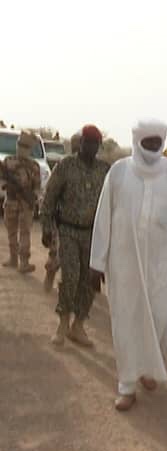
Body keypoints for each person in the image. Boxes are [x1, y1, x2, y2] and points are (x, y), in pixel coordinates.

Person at [89, 119, 167, 412]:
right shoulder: (119, 172)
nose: (151, 148)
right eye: (146, 143)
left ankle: (147, 368)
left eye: (156, 143)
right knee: (125, 321)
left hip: (160, 263)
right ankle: (126, 385)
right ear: (136, 142)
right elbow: (104, 217)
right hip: (124, 263)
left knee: (158, 316)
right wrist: (97, 262)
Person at [41, 125, 109, 347]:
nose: (90, 147)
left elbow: (112, 205)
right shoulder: (66, 166)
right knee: (70, 276)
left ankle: (78, 325)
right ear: (80, 143)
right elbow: (49, 196)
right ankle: (62, 323)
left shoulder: (104, 170)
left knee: (89, 281)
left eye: (95, 143)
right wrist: (46, 227)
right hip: (68, 230)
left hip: (93, 233)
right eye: (87, 142)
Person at [43, 132, 84, 292]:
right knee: (56, 254)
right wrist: (47, 220)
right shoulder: (64, 165)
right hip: (62, 220)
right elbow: (50, 194)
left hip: (82, 223)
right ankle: (50, 281)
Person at [1, 131, 41, 273]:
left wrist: (31, 198)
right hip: (14, 201)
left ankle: (21, 262)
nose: (21, 148)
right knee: (15, 231)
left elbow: (36, 188)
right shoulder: (9, 162)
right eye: (20, 145)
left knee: (22, 232)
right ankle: (16, 260)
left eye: (23, 146)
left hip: (22, 203)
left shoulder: (32, 165)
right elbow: (3, 181)